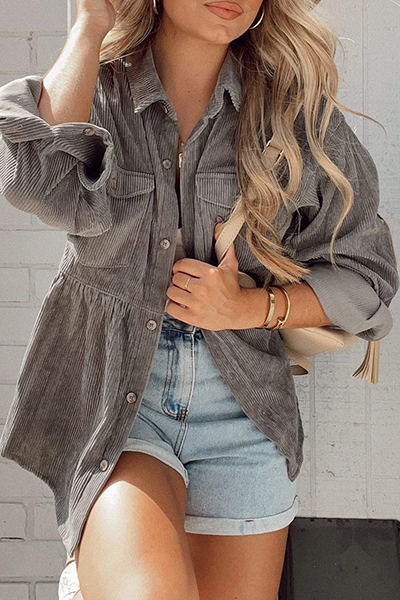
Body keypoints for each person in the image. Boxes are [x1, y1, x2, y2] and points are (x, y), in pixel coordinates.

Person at [0, 0, 398, 599]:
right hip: (120, 406)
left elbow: (368, 277)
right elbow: (32, 180)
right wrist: (89, 24)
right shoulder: (99, 92)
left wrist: (248, 308)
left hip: (243, 414)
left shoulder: (291, 116)